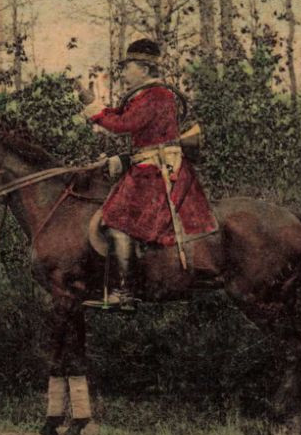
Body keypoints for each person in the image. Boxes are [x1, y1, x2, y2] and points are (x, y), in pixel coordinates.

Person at [75, 38, 216, 311]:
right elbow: (144, 134)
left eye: (128, 67)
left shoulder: (157, 96)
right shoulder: (146, 96)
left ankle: (124, 293)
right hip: (147, 168)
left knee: (117, 221)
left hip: (155, 173)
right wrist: (91, 102)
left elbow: (122, 124)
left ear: (144, 68)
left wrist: (92, 108)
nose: (124, 73)